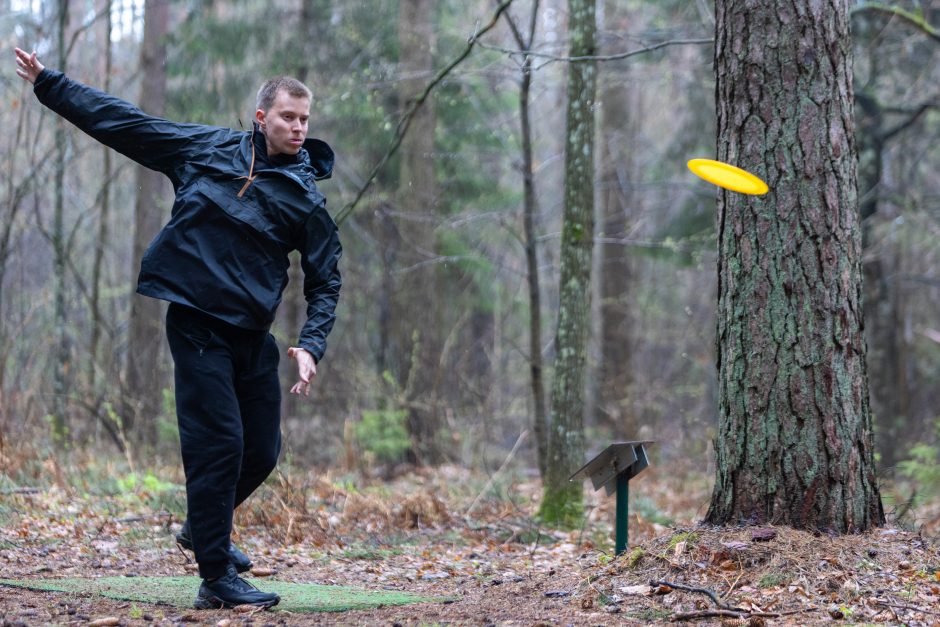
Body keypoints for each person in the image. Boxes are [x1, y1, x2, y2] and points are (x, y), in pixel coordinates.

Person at [14, 47, 342, 610]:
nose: (298, 127)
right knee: (219, 446)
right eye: (288, 116)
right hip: (196, 324)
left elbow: (326, 280)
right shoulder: (206, 150)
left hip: (252, 337)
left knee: (261, 452)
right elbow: (127, 125)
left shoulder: (306, 201)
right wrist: (50, 83)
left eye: (305, 119)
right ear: (261, 117)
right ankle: (216, 578)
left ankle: (201, 525)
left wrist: (311, 344)